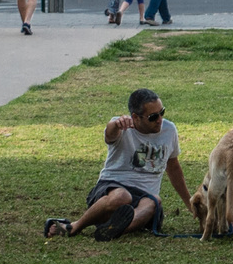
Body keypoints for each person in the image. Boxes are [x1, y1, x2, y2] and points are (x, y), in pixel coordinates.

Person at [48, 87, 190, 241]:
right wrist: (115, 124)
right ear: (136, 117)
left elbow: (174, 167)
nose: (159, 120)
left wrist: (190, 204)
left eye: (162, 112)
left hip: (144, 197)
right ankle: (75, 226)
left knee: (153, 201)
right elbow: (110, 134)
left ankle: (114, 229)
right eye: (153, 116)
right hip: (112, 188)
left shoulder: (169, 130)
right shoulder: (121, 127)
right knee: (122, 197)